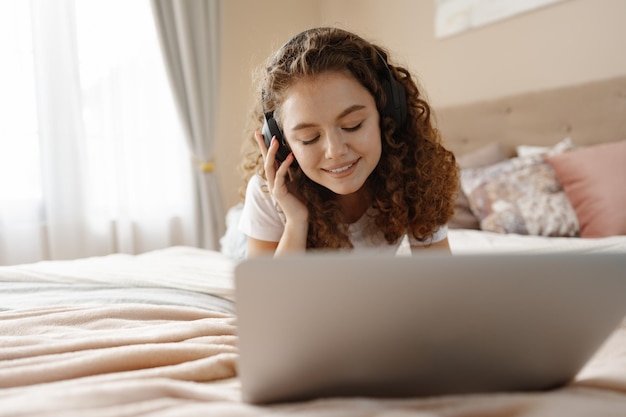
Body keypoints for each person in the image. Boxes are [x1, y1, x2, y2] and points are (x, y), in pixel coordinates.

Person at [238, 27, 458, 257]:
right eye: (309, 138)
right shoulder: (267, 192)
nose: (335, 151)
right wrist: (295, 221)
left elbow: (441, 286)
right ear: (283, 144)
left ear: (387, 117)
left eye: (353, 125)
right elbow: (269, 292)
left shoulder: (416, 173)